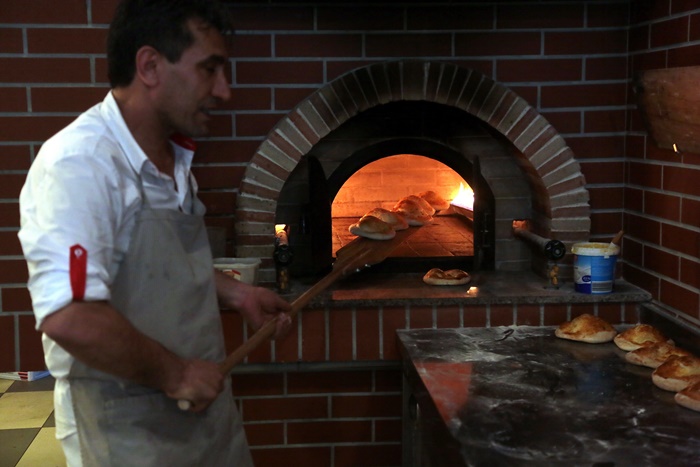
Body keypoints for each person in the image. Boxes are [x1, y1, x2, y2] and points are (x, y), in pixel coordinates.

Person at [17, 0, 291, 465]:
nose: (224, 90)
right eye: (209, 69)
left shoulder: (173, 158)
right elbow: (69, 315)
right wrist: (177, 374)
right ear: (149, 66)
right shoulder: (81, 164)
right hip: (129, 430)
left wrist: (235, 293)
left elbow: (155, 262)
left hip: (205, 415)